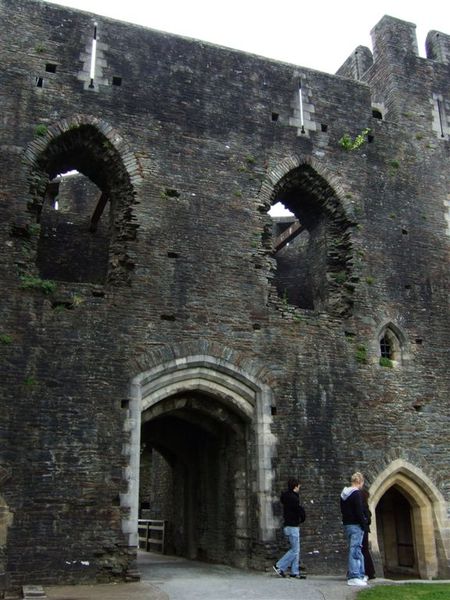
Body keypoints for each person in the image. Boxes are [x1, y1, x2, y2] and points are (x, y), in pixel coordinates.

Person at [273, 477, 306, 579]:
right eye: (298, 486)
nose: (299, 488)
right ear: (295, 486)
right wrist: (302, 515)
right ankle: (279, 566)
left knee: (296, 549)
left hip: (288, 525)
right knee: (295, 550)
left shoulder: (286, 497)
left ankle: (294, 572)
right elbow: (298, 510)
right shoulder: (294, 498)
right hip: (293, 526)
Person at [340, 472, 368, 587]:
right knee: (355, 550)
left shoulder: (344, 494)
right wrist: (364, 524)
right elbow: (359, 511)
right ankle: (354, 576)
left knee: (356, 549)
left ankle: (360, 574)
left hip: (348, 524)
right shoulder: (356, 493)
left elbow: (343, 510)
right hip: (356, 524)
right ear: (360, 482)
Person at [361, 489, 376, 580]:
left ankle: (369, 572)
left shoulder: (362, 506)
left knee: (363, 550)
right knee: (364, 550)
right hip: (365, 530)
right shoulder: (365, 506)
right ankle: (370, 572)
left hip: (363, 530)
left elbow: (368, 520)